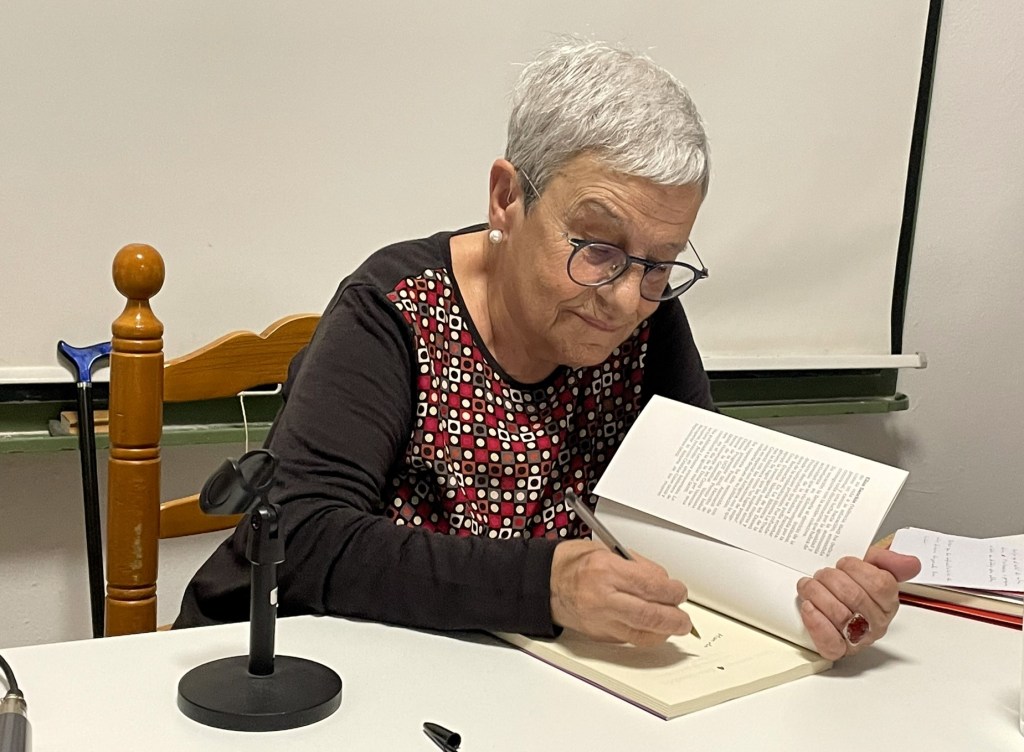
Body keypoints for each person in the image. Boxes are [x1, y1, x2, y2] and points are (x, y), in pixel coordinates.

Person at [174, 38, 919, 660]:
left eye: (659, 264)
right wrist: (546, 587)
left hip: (526, 685)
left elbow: (702, 517)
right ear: (506, 198)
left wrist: (813, 591)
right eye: (597, 247)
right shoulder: (394, 310)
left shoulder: (649, 321)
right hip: (305, 676)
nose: (627, 299)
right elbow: (304, 537)